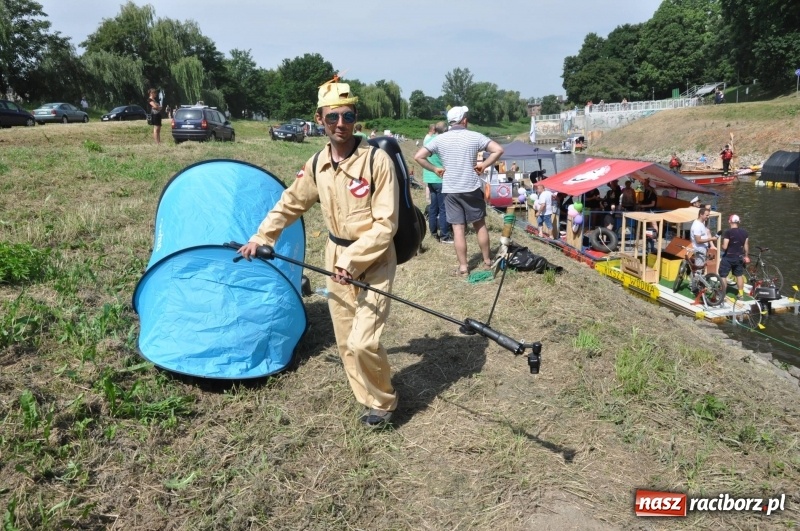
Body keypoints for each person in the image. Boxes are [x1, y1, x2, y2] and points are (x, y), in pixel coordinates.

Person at [238, 79, 400, 428]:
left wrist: (352, 261)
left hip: (374, 261)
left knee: (362, 341)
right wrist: (260, 236)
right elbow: (290, 204)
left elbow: (386, 224)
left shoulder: (377, 161)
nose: (340, 124)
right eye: (332, 118)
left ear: (356, 118)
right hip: (334, 260)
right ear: (319, 119)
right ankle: (369, 401)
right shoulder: (316, 165)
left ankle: (385, 401)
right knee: (345, 340)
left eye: (348, 116)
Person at [414, 106, 504, 275]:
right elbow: (498, 150)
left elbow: (418, 156)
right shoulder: (475, 136)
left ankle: (463, 267)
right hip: (471, 186)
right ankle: (486, 261)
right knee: (480, 225)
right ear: (464, 120)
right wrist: (483, 165)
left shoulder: (439, 139)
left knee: (458, 229)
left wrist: (434, 169)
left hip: (451, 188)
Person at [421, 121, 451, 243]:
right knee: (443, 208)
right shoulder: (443, 141)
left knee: (433, 207)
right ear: (445, 130)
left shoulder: (428, 140)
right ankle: (445, 235)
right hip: (440, 178)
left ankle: (433, 232)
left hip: (429, 177)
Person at [718, 214, 749, 298]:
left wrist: (721, 245)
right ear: (738, 222)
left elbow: (725, 247)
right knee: (739, 275)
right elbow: (746, 246)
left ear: (729, 221)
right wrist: (746, 256)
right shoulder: (744, 232)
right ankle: (741, 294)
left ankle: (723, 294)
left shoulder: (728, 232)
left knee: (723, 275)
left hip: (728, 257)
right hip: (739, 257)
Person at [689, 208, 714, 291]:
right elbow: (698, 240)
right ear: (701, 214)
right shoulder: (696, 225)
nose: (708, 217)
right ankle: (694, 288)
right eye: (707, 215)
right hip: (699, 249)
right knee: (698, 270)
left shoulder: (701, 223)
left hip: (703, 248)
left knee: (700, 268)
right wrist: (711, 239)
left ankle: (696, 285)